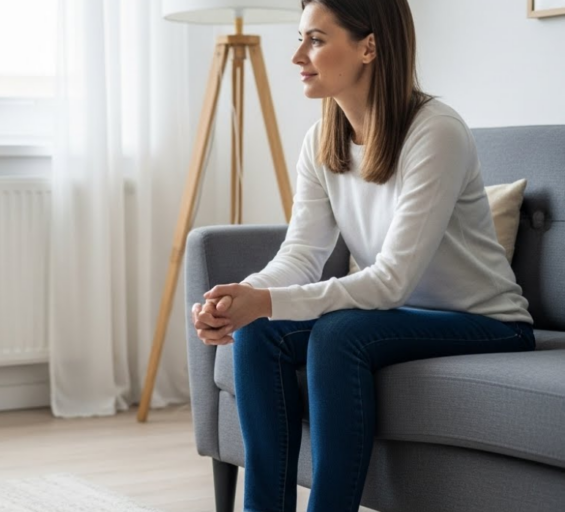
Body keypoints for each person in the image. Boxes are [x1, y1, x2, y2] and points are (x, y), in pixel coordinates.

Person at [189, 0, 535, 511]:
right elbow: (303, 253)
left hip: (485, 321)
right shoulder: (322, 139)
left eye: (316, 39)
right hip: (399, 316)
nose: (297, 56)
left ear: (369, 46)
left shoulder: (434, 130)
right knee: (260, 330)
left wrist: (265, 301)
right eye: (300, 37)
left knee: (339, 332)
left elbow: (391, 281)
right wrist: (246, 296)